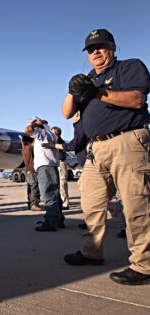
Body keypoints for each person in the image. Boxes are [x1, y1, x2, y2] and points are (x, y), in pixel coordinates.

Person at [62, 29, 150, 285]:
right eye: (91, 49)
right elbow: (67, 112)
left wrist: (96, 93)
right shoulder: (89, 79)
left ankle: (144, 265)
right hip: (96, 149)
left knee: (137, 205)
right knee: (91, 204)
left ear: (113, 47)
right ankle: (92, 253)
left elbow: (136, 100)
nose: (96, 52)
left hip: (128, 141)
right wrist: (72, 90)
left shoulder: (128, 67)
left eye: (101, 46)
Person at [25, 118, 64, 232]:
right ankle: (59, 220)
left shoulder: (42, 133)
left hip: (44, 168)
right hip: (51, 167)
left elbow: (28, 130)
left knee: (48, 195)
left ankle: (51, 222)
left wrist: (35, 124)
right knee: (55, 195)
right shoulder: (51, 134)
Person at [20, 136, 42, 211]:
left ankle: (30, 203)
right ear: (30, 142)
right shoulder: (30, 148)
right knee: (35, 187)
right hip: (32, 170)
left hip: (27, 170)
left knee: (30, 188)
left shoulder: (24, 149)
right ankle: (34, 204)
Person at [51, 127, 70, 210]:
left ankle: (65, 203)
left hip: (61, 163)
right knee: (57, 184)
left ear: (56, 133)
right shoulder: (55, 141)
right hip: (55, 163)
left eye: (52, 132)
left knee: (62, 183)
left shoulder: (60, 141)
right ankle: (60, 201)